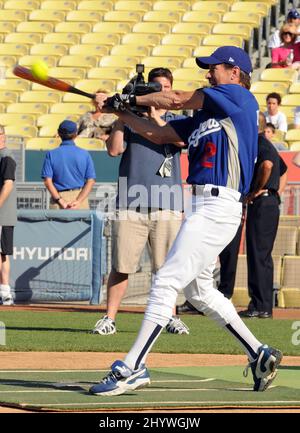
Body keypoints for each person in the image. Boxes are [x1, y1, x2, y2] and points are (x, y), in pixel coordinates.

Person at [90, 46, 283, 396]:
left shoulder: (237, 97)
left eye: (214, 68)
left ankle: (133, 367)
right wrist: (118, 111)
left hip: (217, 204)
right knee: (199, 290)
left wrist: (129, 93)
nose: (209, 73)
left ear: (234, 73)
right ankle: (259, 353)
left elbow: (176, 98)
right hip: (200, 207)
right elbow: (158, 134)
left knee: (165, 281)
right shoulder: (208, 116)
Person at [91, 67, 189, 336]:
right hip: (131, 203)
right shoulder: (129, 118)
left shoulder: (176, 120)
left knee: (166, 270)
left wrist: (155, 114)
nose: (160, 92)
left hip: (167, 203)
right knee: (121, 266)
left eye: (165, 87)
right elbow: (114, 150)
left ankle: (170, 317)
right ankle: (109, 318)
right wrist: (121, 113)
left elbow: (176, 140)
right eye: (155, 87)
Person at [239, 113, 288, 319]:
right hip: (268, 202)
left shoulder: (259, 142)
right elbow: (283, 170)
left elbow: (267, 166)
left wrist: (258, 190)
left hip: (263, 203)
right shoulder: (265, 144)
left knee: (259, 255)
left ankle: (261, 305)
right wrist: (277, 193)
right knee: (260, 255)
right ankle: (261, 305)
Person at [41, 120, 96, 210]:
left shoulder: (51, 154)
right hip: (80, 199)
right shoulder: (84, 154)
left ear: (59, 133)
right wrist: (78, 201)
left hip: (58, 201)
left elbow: (47, 181)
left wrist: (61, 201)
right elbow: (91, 181)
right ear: (75, 134)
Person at [0, 125, 17, 306]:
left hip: (2, 215)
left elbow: (8, 184)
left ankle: (5, 292)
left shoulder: (6, 157)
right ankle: (4, 292)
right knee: (2, 253)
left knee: (2, 253)